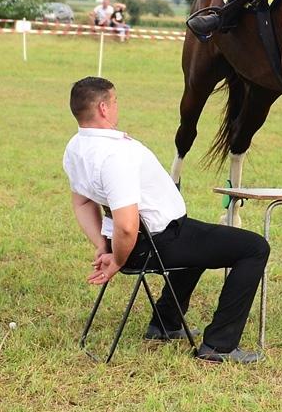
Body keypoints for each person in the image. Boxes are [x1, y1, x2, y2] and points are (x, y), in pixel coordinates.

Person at [63, 77, 270, 364]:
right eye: (115, 101)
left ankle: (165, 324)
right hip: (152, 243)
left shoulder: (75, 147)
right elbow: (126, 224)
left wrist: (103, 245)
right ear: (102, 108)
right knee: (255, 248)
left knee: (202, 241)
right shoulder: (115, 155)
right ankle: (219, 346)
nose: (116, 106)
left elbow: (82, 201)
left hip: (145, 239)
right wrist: (118, 260)